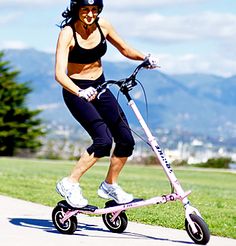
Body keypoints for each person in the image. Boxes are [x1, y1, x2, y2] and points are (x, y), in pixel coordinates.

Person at [55, 0, 159, 208]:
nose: (90, 14)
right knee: (103, 140)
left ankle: (110, 184)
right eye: (85, 9)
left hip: (101, 87)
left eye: (94, 10)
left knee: (126, 140)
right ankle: (69, 183)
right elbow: (59, 74)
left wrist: (145, 57)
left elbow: (124, 49)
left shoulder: (104, 26)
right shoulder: (68, 33)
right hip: (76, 90)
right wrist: (80, 92)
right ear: (77, 10)